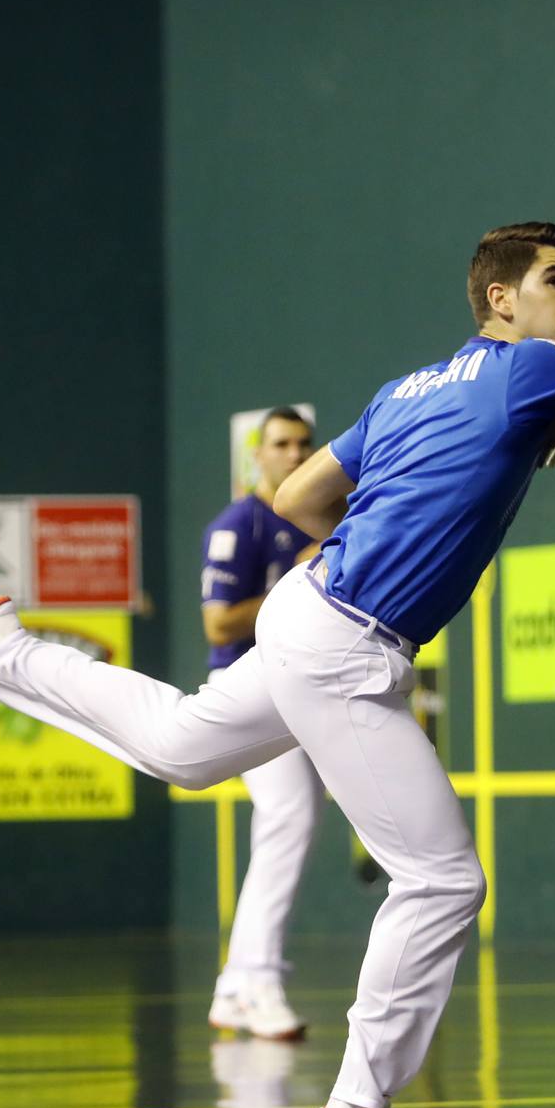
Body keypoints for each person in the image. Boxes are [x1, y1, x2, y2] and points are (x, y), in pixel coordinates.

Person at [0, 221, 555, 1108]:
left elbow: (299, 501)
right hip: (344, 641)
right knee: (442, 879)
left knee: (183, 750)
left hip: (307, 610)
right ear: (500, 300)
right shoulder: (533, 370)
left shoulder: (406, 390)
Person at [202, 406, 322, 1041]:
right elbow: (218, 625)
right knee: (289, 817)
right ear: (258, 454)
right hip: (245, 689)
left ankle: (237, 986)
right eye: (281, 444)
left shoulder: (316, 517)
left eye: (304, 442)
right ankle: (256, 979)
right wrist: (302, 573)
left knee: (295, 820)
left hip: (295, 685)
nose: (295, 454)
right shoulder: (238, 525)